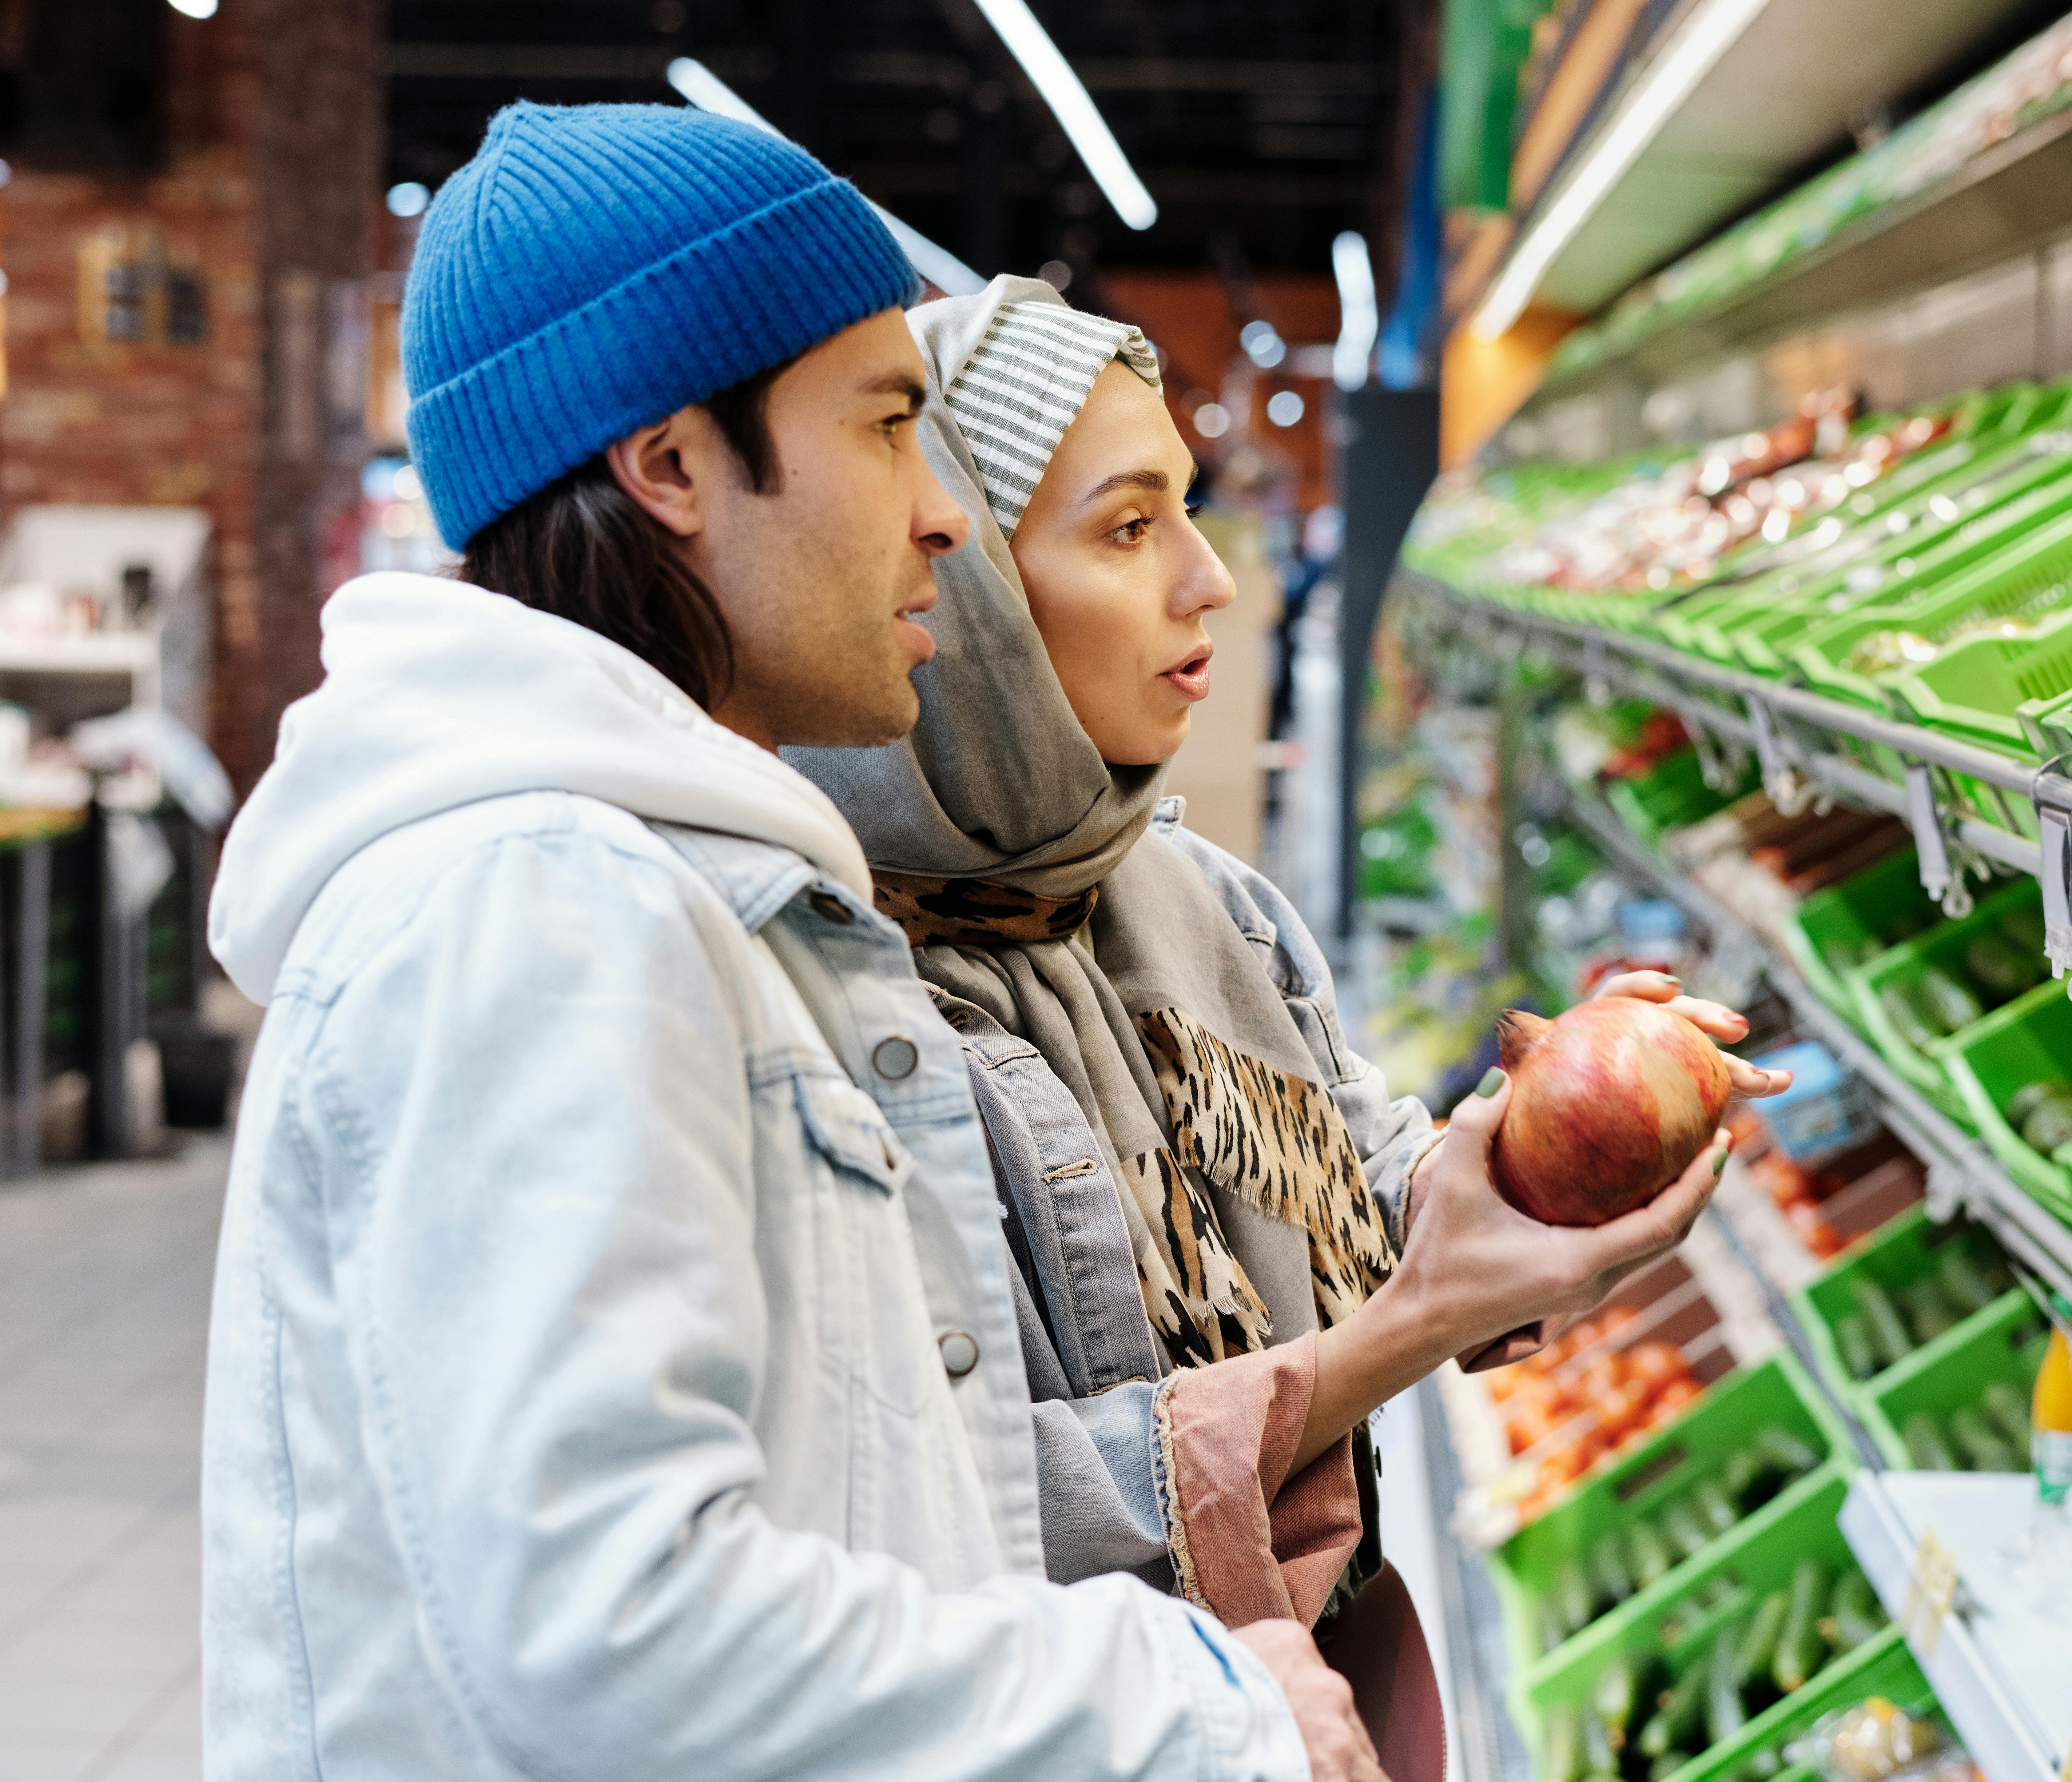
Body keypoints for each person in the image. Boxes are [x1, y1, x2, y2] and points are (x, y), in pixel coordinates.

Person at [200, 103, 1381, 1782]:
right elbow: (617, 1631)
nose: (942, 517)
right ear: (672, 464)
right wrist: (1179, 1701)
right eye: (890, 426)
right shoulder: (541, 908)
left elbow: (846, 1507)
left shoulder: (691, 890)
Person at [789, 278, 1783, 1634]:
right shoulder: (822, 1015)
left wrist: (1540, 1143)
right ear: (961, 592)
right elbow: (947, 1517)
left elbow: (1363, 1193)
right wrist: (1398, 1339)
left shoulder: (1202, 902)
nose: (1209, 579)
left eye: (1188, 510)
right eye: (1130, 527)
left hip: (1317, 1676)